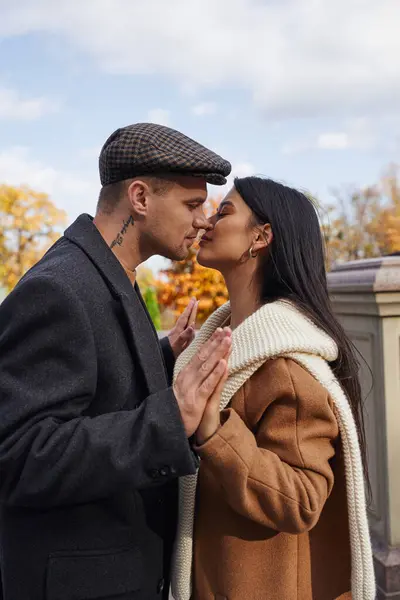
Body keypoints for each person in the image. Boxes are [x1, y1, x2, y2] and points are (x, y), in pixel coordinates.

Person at [0, 123, 233, 600]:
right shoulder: (59, 289)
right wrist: (172, 417)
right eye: (192, 204)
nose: (204, 220)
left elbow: (92, 384)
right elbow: (19, 456)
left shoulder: (108, 273)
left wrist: (161, 354)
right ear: (141, 197)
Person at [171, 177, 376, 600]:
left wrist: (214, 431)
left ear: (261, 237)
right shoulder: (229, 342)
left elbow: (302, 500)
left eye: (224, 212)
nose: (207, 222)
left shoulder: (284, 365)